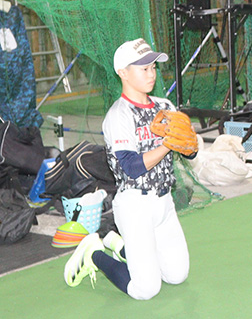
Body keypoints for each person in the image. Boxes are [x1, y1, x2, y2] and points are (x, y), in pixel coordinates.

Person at [64, 38, 194, 300]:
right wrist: (168, 145)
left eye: (153, 67)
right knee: (146, 289)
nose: (151, 74)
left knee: (176, 276)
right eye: (143, 68)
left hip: (164, 203)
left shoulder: (164, 106)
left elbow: (190, 151)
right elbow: (132, 167)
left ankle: (119, 245)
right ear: (123, 72)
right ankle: (94, 253)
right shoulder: (119, 115)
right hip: (135, 206)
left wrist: (190, 144)